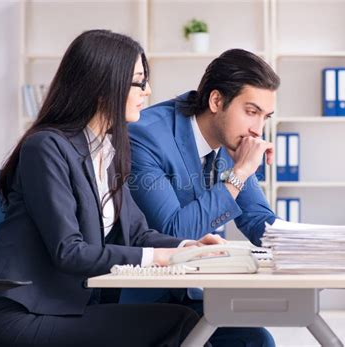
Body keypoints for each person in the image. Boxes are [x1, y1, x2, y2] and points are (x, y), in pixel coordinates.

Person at [0, 29, 223, 347]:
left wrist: (187, 248)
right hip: (23, 316)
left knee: (191, 322)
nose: (148, 91)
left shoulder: (107, 151)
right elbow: (69, 251)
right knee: (182, 325)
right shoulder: (47, 147)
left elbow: (138, 235)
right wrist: (160, 258)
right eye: (139, 81)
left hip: (66, 309)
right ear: (103, 85)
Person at [122, 49, 281, 347]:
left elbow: (259, 219)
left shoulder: (230, 139)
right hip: (142, 298)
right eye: (251, 111)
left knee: (256, 340)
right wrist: (241, 173)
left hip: (189, 294)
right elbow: (172, 232)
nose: (258, 130)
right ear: (216, 101)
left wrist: (315, 244)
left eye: (265, 117)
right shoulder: (145, 137)